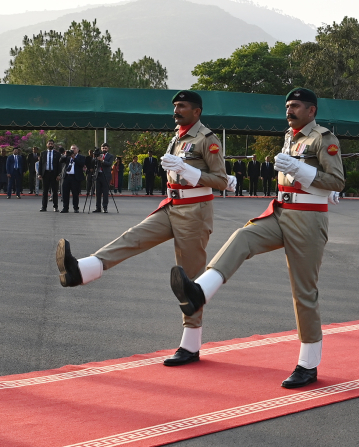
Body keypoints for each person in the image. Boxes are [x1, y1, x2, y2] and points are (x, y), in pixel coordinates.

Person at [170, 88, 344, 388]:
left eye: (296, 106)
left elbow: (337, 181)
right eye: (287, 106)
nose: (289, 111)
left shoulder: (323, 138)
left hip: (308, 219)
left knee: (304, 292)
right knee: (242, 237)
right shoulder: (291, 136)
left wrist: (301, 170)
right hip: (281, 212)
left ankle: (308, 364)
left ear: (312, 111)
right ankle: (200, 291)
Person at [55, 91, 232, 368]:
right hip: (172, 205)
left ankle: (190, 345)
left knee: (189, 278)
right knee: (133, 237)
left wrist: (188, 171)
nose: (176, 110)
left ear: (196, 111)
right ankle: (82, 270)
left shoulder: (207, 139)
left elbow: (221, 181)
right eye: (175, 105)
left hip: (195, 212)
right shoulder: (178, 136)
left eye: (182, 106)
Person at [59, 146, 86, 212]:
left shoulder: (81, 157)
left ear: (78, 150)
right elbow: (60, 161)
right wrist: (65, 155)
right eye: (72, 149)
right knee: (65, 193)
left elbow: (81, 164)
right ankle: (65, 207)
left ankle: (76, 207)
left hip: (75, 177)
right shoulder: (67, 157)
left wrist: (74, 158)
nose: (73, 150)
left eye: (74, 148)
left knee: (75, 193)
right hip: (67, 176)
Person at [39, 140, 62, 212]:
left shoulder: (57, 154)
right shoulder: (43, 153)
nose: (50, 145)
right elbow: (40, 164)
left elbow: (59, 165)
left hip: (54, 174)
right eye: (49, 144)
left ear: (53, 145)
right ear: (47, 145)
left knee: (55, 191)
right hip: (45, 174)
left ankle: (55, 207)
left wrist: (59, 174)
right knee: (45, 191)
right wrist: (40, 174)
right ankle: (44, 207)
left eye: (52, 144)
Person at [93, 143, 115, 213]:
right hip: (98, 175)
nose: (104, 149)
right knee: (98, 192)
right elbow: (94, 163)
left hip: (106, 175)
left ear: (108, 148)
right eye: (103, 148)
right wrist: (96, 158)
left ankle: (105, 207)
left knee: (105, 192)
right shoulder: (99, 155)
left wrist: (102, 160)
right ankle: (98, 207)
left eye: (105, 148)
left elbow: (109, 164)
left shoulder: (110, 156)